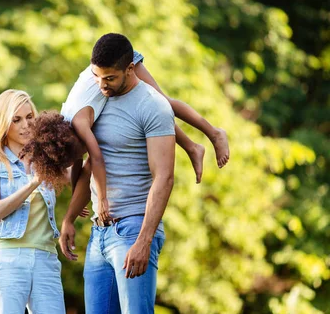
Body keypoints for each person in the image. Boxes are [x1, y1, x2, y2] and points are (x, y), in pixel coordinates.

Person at [60, 33, 178, 314]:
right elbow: (90, 166)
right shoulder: (97, 101)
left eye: (110, 78)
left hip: (133, 229)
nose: (102, 84)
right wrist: (69, 217)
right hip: (100, 234)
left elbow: (164, 177)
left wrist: (144, 241)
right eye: (98, 76)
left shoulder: (152, 106)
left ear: (130, 69)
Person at [61, 48, 229, 223]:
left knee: (163, 102)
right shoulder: (64, 130)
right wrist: (75, 194)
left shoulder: (79, 125)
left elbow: (96, 159)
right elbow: (77, 165)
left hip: (118, 59)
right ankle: (192, 147)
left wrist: (102, 198)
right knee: (159, 108)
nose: (79, 157)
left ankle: (214, 133)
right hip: (104, 69)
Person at [0, 89, 84, 314]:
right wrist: (33, 183)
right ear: (3, 123)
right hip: (8, 259)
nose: (25, 125)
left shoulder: (47, 159)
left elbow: (80, 173)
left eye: (29, 117)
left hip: (45, 258)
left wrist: (78, 201)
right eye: (16, 120)